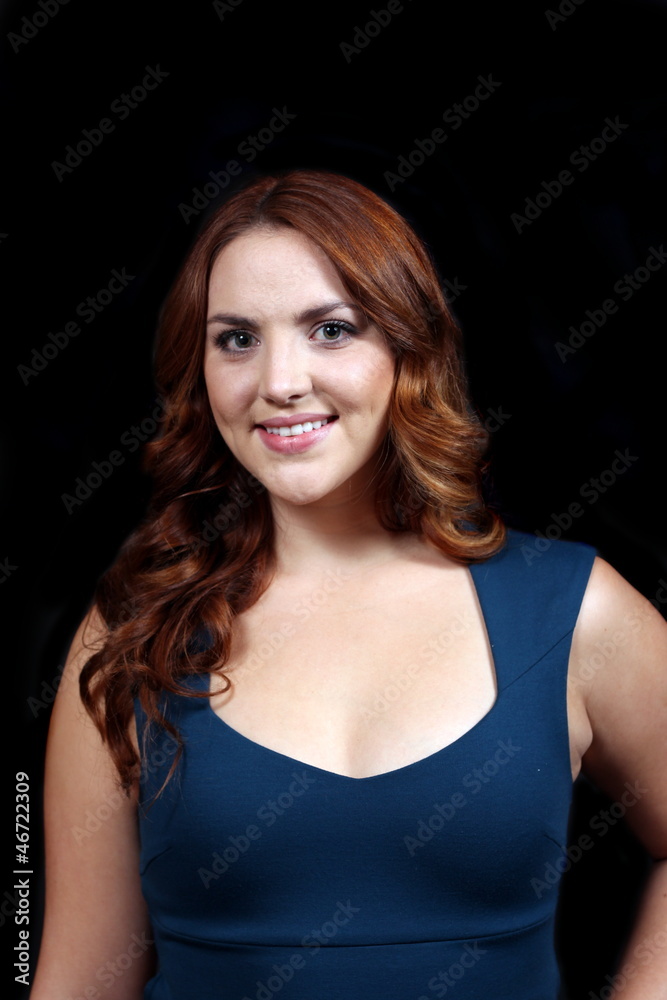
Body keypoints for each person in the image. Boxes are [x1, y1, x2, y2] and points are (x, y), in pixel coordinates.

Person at [30, 169, 667, 1000]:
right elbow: (79, 980)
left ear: (407, 347)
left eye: (330, 330)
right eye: (236, 339)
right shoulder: (132, 632)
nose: (279, 381)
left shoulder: (570, 610)